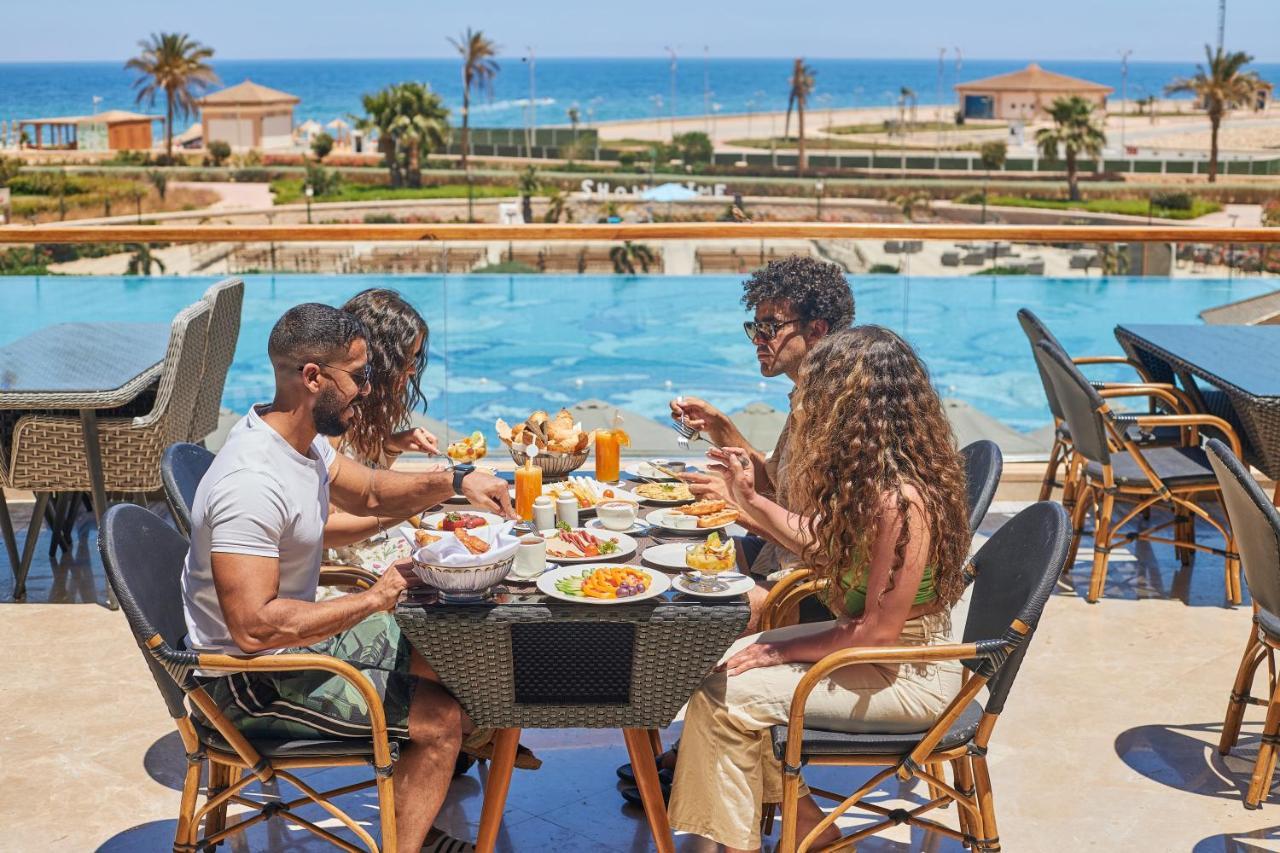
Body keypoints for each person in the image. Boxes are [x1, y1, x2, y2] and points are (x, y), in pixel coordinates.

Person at [182, 303, 513, 853]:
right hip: (248, 681)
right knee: (440, 719)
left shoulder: (297, 440)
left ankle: (422, 800)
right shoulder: (250, 484)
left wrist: (457, 480)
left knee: (461, 654)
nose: (367, 388)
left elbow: (373, 492)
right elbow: (255, 629)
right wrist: (376, 598)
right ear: (314, 377)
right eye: (358, 376)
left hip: (296, 644)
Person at [666, 326, 971, 853]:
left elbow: (876, 635)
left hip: (908, 671)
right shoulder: (875, 478)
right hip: (877, 651)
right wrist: (751, 502)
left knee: (725, 695)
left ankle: (742, 844)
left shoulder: (901, 501)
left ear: (854, 407)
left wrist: (777, 646)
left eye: (818, 395)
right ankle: (815, 830)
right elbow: (826, 542)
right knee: (715, 667)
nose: (807, 407)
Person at [670, 255, 854, 586]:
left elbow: (827, 544)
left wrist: (736, 507)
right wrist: (718, 426)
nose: (757, 339)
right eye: (755, 327)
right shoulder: (805, 396)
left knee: (681, 608)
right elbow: (774, 485)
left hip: (812, 587)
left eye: (769, 327)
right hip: (777, 557)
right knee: (667, 555)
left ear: (816, 330)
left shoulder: (841, 415)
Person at [323, 288, 439, 574]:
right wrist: (406, 505)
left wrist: (394, 443)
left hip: (365, 546)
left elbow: (366, 475)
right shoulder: (329, 422)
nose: (412, 370)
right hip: (341, 571)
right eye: (406, 360)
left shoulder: (361, 410)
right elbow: (325, 530)